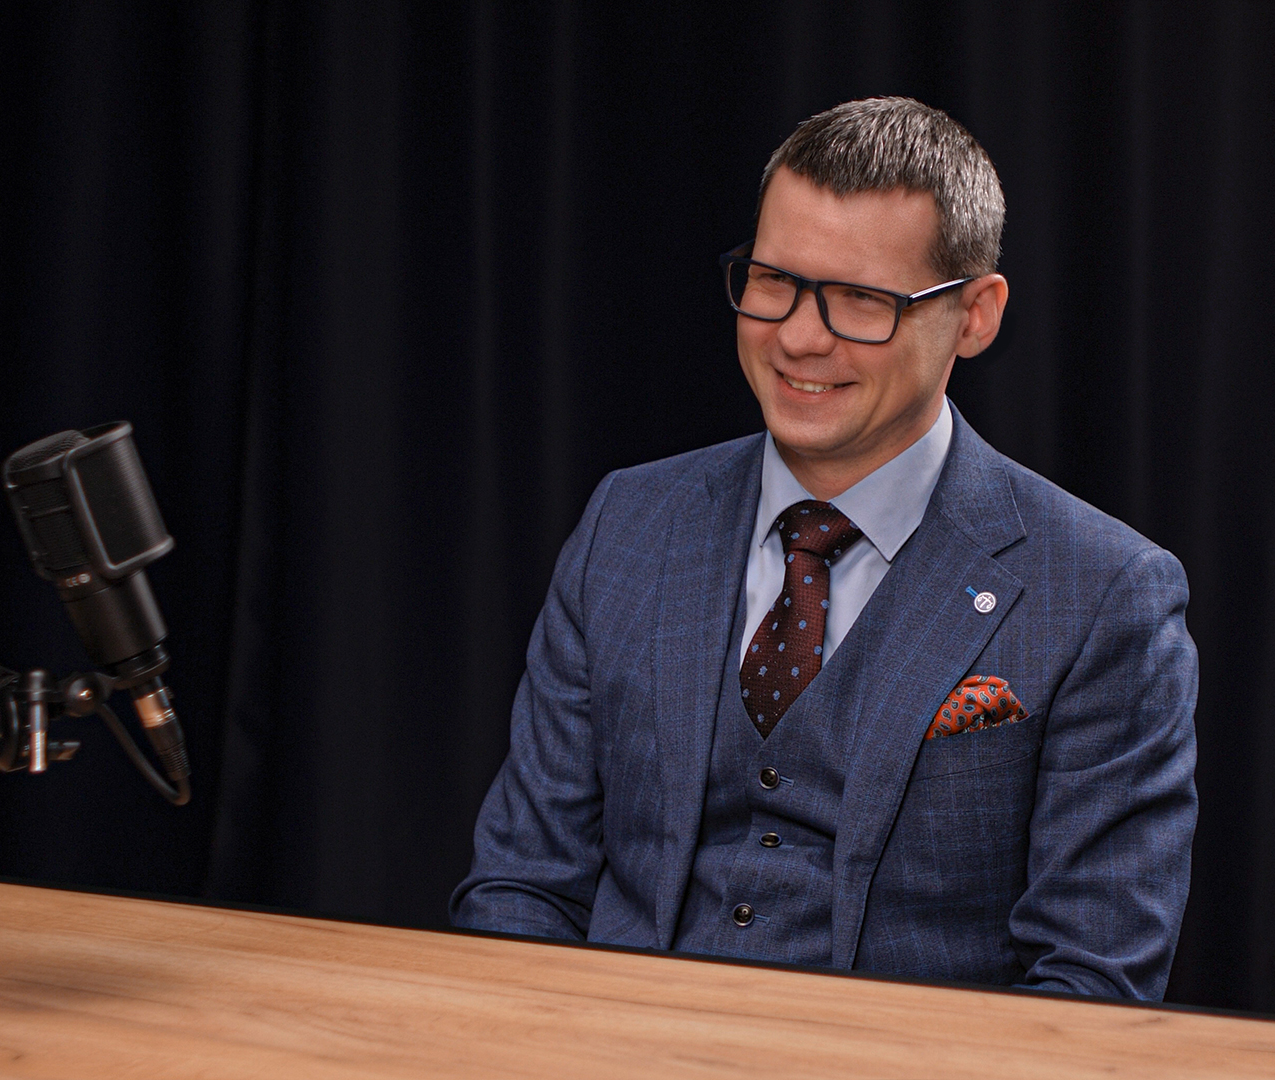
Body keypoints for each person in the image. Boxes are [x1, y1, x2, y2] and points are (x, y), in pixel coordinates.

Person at [453, 97, 1197, 999]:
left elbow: (1088, 989)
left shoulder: (1105, 593)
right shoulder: (629, 523)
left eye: (862, 300)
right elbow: (523, 888)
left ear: (976, 315)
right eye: (774, 281)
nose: (801, 338)